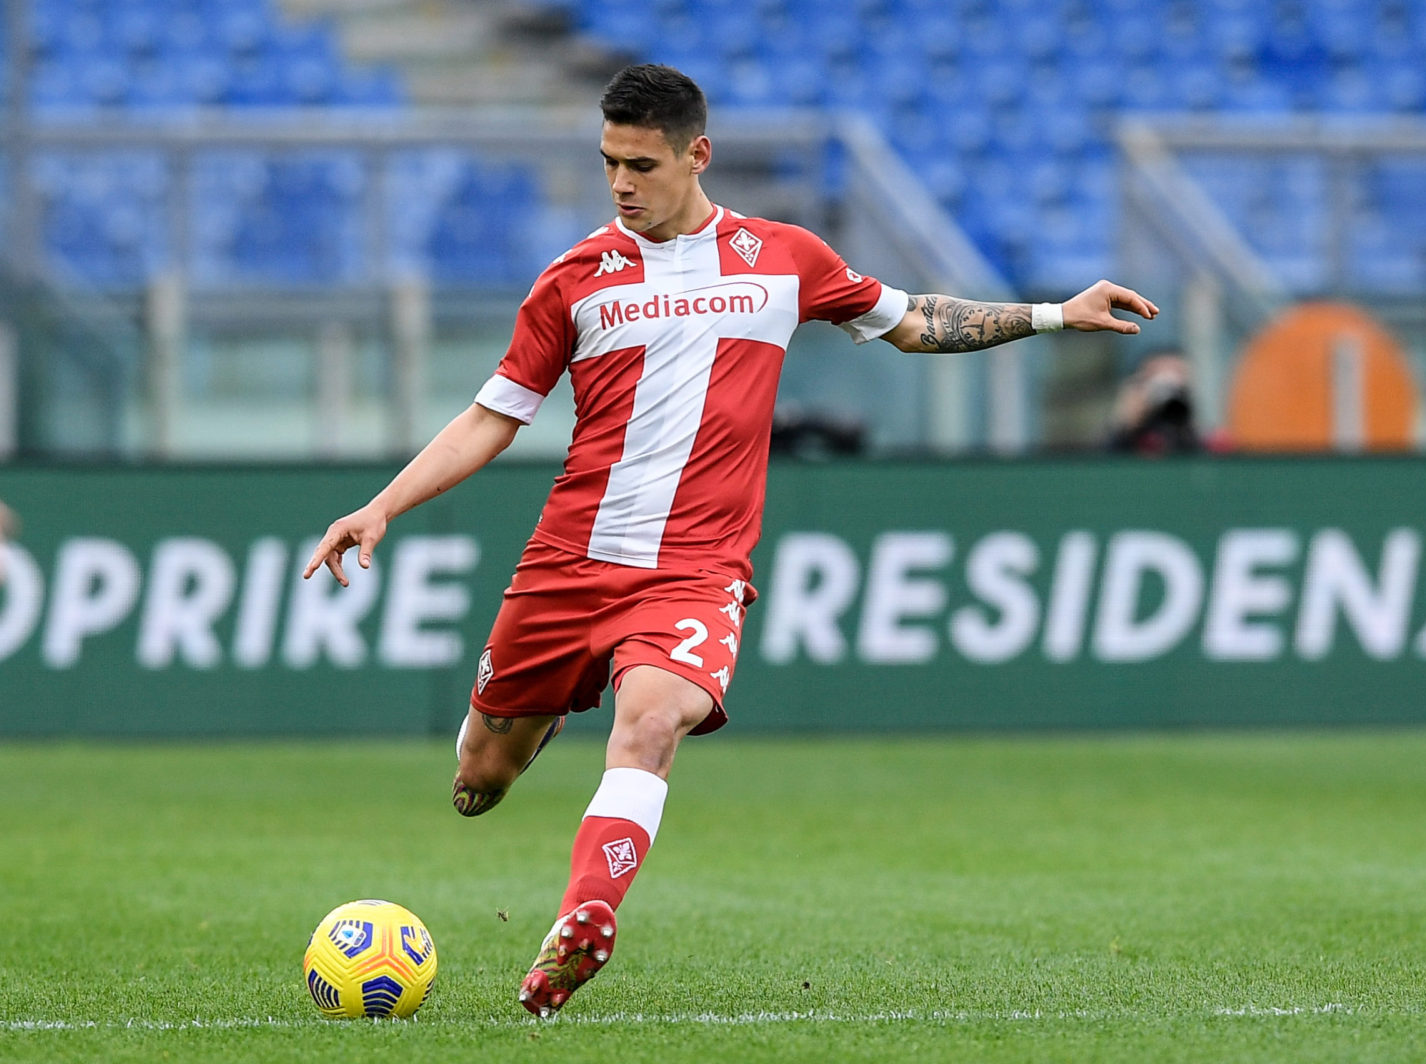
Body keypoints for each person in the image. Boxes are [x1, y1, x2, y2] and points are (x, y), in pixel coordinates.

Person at [303, 63, 1158, 1018]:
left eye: (641, 163)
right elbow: (492, 416)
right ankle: (537, 715)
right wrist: (381, 507)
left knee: (654, 719)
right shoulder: (573, 280)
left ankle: (580, 926)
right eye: (607, 163)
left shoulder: (783, 257)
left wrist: (1053, 312)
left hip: (697, 572)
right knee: (478, 782)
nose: (621, 183)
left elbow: (914, 321)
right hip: (570, 564)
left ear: (696, 155)